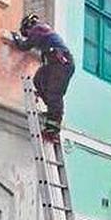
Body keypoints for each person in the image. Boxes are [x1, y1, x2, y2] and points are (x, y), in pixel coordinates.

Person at [11, 13, 75, 143]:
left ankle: (53, 128)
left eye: (26, 33)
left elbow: (24, 46)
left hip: (61, 63)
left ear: (28, 26)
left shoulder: (38, 29)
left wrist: (16, 37)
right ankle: (52, 112)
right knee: (39, 80)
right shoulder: (42, 31)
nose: (27, 35)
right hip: (54, 62)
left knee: (54, 93)